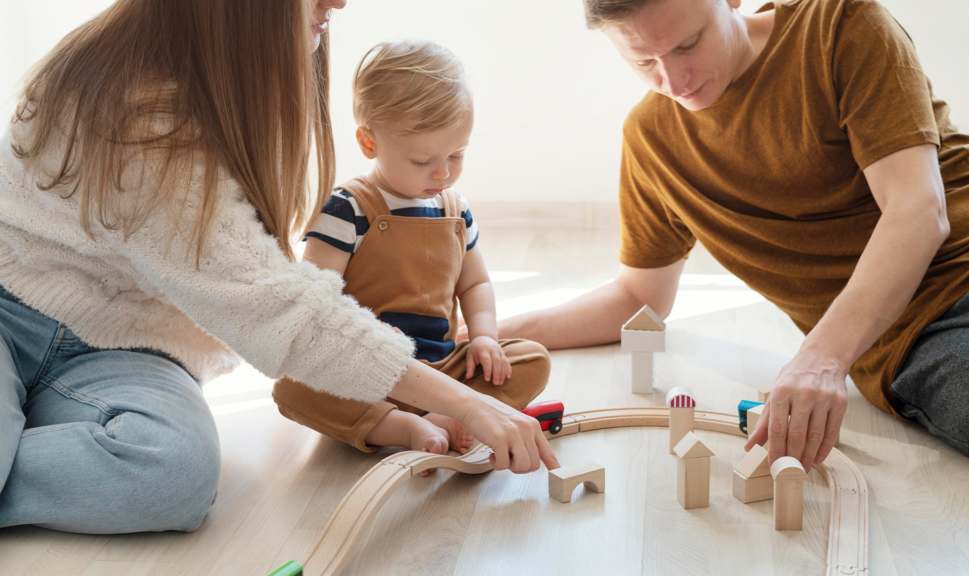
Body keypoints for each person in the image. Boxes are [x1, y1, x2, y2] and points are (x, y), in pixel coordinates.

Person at [0, 0, 556, 535]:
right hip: (10, 319)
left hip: (123, 348)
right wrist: (465, 403)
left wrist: (466, 374)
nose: (338, 2)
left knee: (173, 472)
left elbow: (271, 292)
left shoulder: (231, 93)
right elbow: (282, 309)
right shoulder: (133, 108)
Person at [494, 0, 969, 475]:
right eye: (643, 63)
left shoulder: (839, 24)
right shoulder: (651, 140)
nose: (675, 80)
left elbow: (917, 210)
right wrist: (493, 333)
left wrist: (820, 358)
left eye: (688, 44)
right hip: (921, 340)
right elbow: (638, 297)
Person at [273, 40, 552, 471]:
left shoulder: (455, 209)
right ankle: (401, 427)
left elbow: (475, 283)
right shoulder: (347, 209)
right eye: (423, 159)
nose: (443, 172)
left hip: (442, 368)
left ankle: (446, 412)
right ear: (369, 142)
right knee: (292, 387)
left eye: (456, 154)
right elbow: (317, 305)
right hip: (363, 374)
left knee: (531, 358)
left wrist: (483, 337)